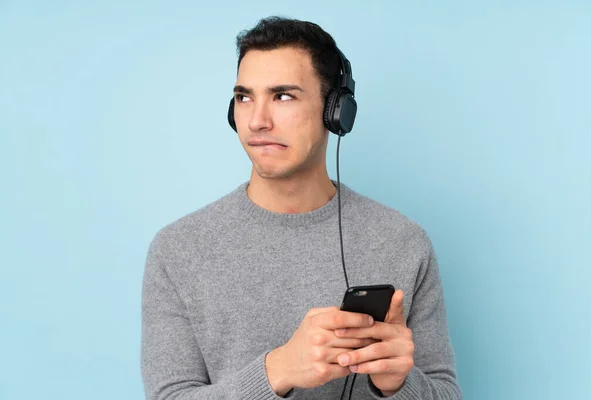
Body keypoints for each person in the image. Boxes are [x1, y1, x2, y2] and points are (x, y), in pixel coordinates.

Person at [141, 16, 462, 400]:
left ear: (336, 111)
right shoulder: (178, 249)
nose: (257, 121)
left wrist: (397, 384)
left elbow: (445, 393)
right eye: (245, 97)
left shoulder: (402, 241)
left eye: (283, 96)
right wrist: (278, 370)